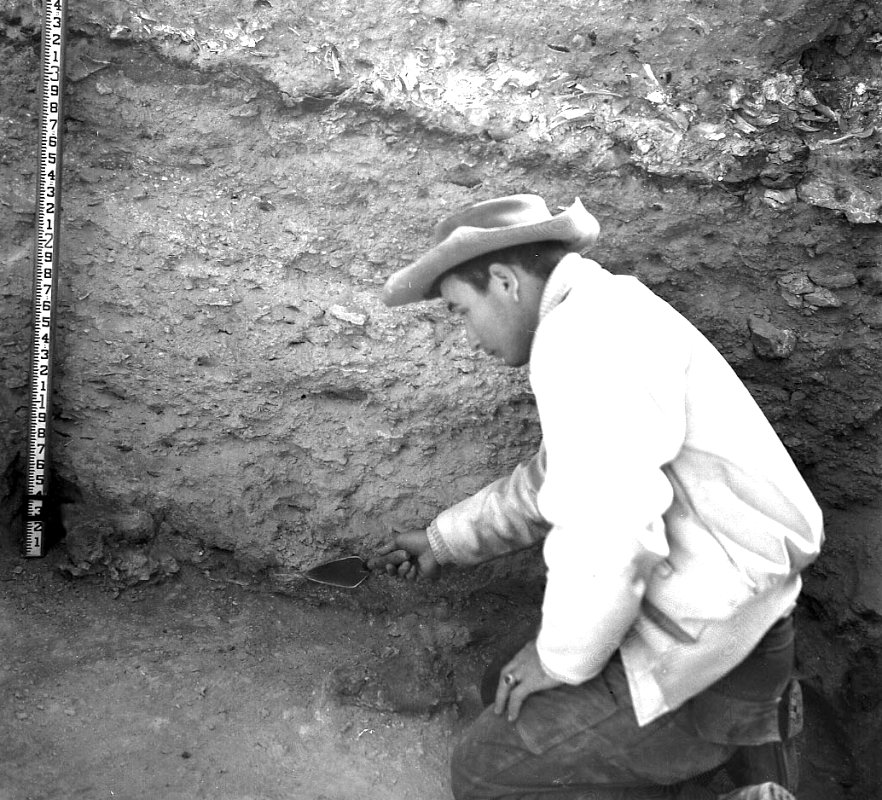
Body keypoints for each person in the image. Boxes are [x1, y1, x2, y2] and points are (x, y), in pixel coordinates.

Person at [372, 195, 824, 800]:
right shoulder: (601, 313)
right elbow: (561, 476)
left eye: (460, 310)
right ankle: (746, 753)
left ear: (504, 282)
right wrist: (445, 539)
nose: (466, 335)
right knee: (497, 685)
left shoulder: (585, 342)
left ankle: (747, 768)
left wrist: (558, 661)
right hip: (723, 605)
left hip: (714, 639)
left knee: (485, 774)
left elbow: (610, 527)